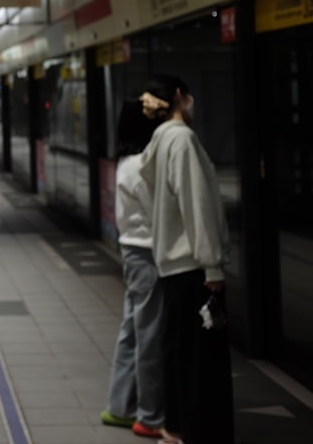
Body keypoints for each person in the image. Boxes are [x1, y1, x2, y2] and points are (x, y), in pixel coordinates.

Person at [139, 75, 233, 444]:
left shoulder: (158, 142)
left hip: (171, 267)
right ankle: (198, 434)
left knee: (179, 356)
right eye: (189, 95)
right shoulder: (182, 140)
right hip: (193, 268)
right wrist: (211, 263)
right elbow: (197, 205)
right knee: (202, 364)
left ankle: (174, 430)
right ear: (179, 96)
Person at [101, 99, 166, 438]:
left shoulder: (125, 162)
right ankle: (150, 415)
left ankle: (119, 406)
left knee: (131, 334)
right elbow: (161, 216)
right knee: (150, 337)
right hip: (148, 257)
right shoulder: (143, 165)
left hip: (133, 254)